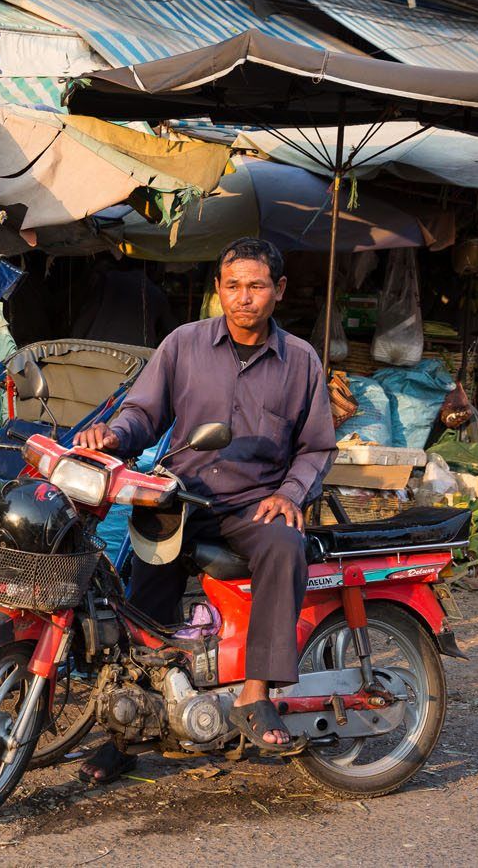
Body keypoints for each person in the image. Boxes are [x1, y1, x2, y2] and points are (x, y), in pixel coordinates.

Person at [72, 236, 337, 782]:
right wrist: (112, 435)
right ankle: (127, 732)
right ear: (218, 290)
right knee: (144, 598)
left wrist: (290, 495)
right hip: (182, 496)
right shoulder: (183, 345)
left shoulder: (301, 362)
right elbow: (143, 413)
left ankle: (256, 694)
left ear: (278, 291)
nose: (244, 298)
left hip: (251, 503)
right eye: (233, 286)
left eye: (257, 286)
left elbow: (316, 447)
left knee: (286, 547)